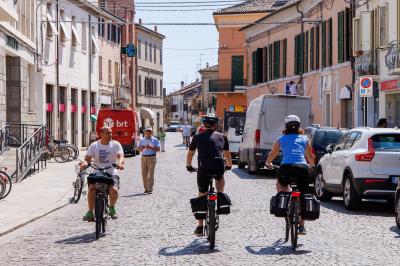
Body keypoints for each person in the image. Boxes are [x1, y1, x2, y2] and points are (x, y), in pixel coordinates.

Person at [265, 115, 314, 235]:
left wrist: (268, 163)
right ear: (299, 126)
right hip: (301, 168)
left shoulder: (281, 139)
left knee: (281, 184)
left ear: (286, 126)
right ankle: (302, 225)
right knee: (302, 193)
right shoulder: (304, 139)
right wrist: (311, 164)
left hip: (286, 168)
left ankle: (285, 202)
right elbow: (310, 157)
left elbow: (273, 154)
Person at [186, 113, 233, 236]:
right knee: (220, 178)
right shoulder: (223, 136)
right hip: (218, 167)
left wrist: (189, 166)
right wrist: (228, 165)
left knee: (202, 194)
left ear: (204, 125)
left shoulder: (197, 137)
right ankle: (220, 194)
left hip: (203, 168)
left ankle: (200, 227)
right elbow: (227, 155)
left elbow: (190, 153)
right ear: (215, 125)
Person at [81, 126, 125, 221]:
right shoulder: (94, 145)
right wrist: (84, 164)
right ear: (100, 134)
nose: (110, 135)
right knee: (92, 189)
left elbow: (120, 155)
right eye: (107, 133)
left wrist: (120, 163)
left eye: (111, 133)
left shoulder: (115, 144)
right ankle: (90, 212)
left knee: (114, 190)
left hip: (111, 171)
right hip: (97, 171)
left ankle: (112, 208)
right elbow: (87, 159)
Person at [138, 126, 161, 194]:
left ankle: (150, 188)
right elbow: (139, 149)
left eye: (149, 131)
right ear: (145, 132)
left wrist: (151, 147)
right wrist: (141, 148)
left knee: (151, 174)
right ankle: (146, 188)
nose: (148, 132)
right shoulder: (142, 140)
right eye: (147, 131)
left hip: (152, 157)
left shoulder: (155, 140)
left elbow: (158, 149)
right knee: (144, 173)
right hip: (143, 157)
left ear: (152, 132)